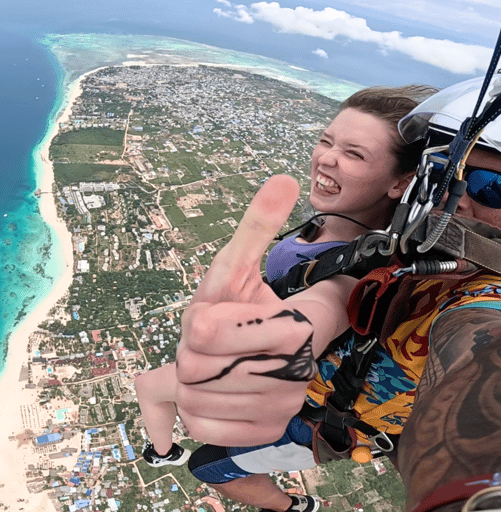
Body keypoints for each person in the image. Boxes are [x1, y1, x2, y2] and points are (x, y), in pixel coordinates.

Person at [173, 75, 501, 512]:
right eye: (444, 174)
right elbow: (337, 295)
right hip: (305, 390)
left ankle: (294, 507)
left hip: (326, 423)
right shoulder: (398, 246)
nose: (455, 199)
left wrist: (475, 493)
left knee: (207, 467)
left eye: (492, 187)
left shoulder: (484, 296)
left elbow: (480, 346)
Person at [133, 84, 434, 476]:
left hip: (290, 378)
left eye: (354, 154)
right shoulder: (336, 220)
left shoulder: (361, 267)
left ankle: (163, 452)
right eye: (326, 141)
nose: (327, 158)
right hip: (255, 332)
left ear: (399, 184)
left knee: (146, 387)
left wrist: (292, 333)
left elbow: (326, 307)